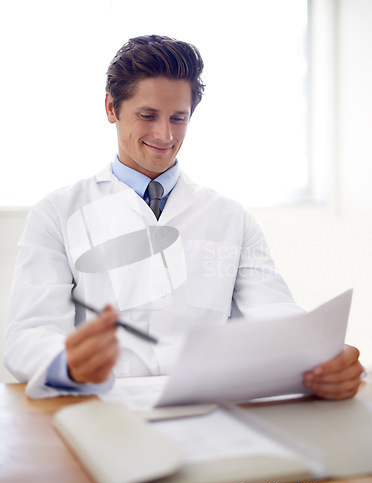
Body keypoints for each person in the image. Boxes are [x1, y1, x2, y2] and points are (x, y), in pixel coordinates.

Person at [4, 35, 363, 399]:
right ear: (111, 108)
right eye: (148, 116)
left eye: (179, 117)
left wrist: (319, 354)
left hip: (205, 404)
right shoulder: (57, 213)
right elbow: (28, 333)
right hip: (104, 403)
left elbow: (272, 309)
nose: (165, 135)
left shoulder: (230, 217)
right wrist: (66, 363)